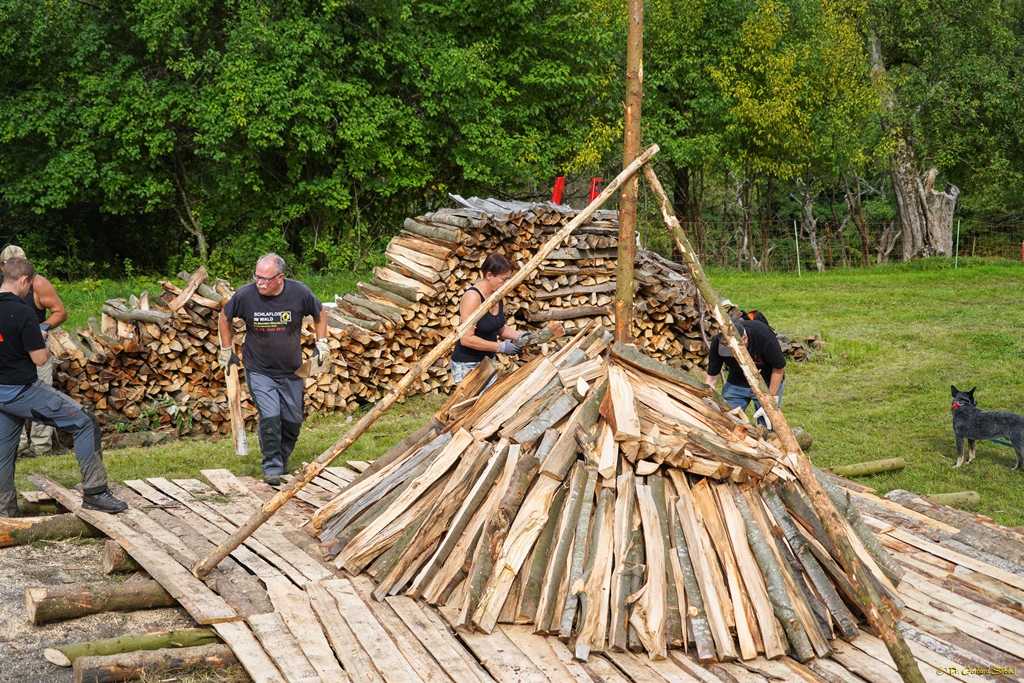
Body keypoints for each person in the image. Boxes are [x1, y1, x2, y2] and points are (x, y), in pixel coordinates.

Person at [0, 258, 126, 516]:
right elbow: (40, 359)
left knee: (2, 453)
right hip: (23, 391)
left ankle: (5, 512)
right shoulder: (22, 311)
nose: (29, 291)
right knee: (85, 422)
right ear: (24, 280)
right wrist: (41, 335)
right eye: (29, 285)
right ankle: (95, 492)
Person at [219, 253, 328, 486]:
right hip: (259, 369)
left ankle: (282, 456)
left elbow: (319, 315)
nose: (260, 282)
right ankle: (271, 467)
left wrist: (322, 344)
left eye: (265, 279)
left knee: (293, 420)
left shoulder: (299, 293)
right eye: (257, 276)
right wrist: (226, 349)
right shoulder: (246, 295)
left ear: (281, 277)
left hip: (292, 370)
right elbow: (225, 317)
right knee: (270, 416)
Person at [0, 245, 67, 456]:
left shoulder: (38, 283)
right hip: (9, 346)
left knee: (41, 391)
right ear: (2, 267)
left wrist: (43, 328)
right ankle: (16, 445)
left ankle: (41, 446)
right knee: (10, 392)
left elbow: (59, 312)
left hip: (34, 345)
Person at [450, 253, 527, 385]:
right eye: (504, 279)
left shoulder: (496, 295)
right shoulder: (473, 297)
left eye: (509, 278)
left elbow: (499, 326)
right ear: (489, 275)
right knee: (473, 405)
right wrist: (500, 347)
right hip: (468, 364)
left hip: (488, 361)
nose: (507, 283)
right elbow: (466, 339)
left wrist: (521, 336)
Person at [704, 316, 786, 425]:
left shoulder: (762, 335)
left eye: (735, 349)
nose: (733, 355)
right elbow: (711, 379)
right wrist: (706, 398)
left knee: (769, 425)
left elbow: (779, 367)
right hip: (736, 382)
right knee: (727, 421)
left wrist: (771, 400)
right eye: (729, 350)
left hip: (766, 382)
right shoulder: (718, 343)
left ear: (745, 338)